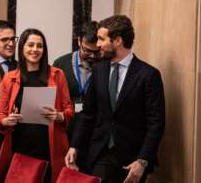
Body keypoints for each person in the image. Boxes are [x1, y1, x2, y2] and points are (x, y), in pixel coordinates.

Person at [65, 15, 165, 183]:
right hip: (100, 154)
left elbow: (156, 123)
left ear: (117, 41)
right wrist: (74, 146)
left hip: (132, 161)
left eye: (101, 39)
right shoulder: (99, 70)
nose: (97, 44)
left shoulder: (148, 75)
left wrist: (142, 161)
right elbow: (88, 113)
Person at [0, 28, 74, 183]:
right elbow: (1, 116)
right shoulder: (9, 78)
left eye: (40, 46)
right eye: (30, 45)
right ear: (22, 47)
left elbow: (69, 109)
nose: (35, 50)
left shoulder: (57, 75)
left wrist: (60, 115)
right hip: (18, 146)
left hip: (48, 146)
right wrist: (6, 121)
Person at [53, 21, 99, 171]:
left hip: (93, 131)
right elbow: (54, 97)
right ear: (79, 41)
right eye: (87, 51)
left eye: (96, 51)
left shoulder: (104, 65)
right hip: (67, 128)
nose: (92, 56)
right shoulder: (61, 63)